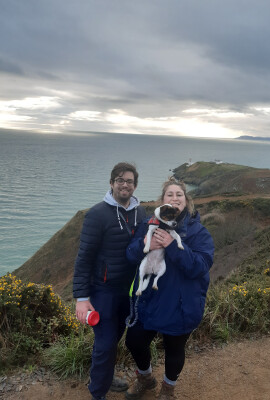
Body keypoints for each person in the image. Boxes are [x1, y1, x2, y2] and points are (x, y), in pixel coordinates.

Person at [125, 178, 214, 399]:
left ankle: (167, 389)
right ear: (162, 201)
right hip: (148, 299)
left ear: (186, 200)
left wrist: (172, 246)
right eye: (169, 195)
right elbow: (130, 254)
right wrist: (145, 246)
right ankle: (145, 379)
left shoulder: (198, 233)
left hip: (180, 302)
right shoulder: (149, 224)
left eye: (179, 195)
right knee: (134, 342)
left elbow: (200, 267)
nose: (174, 199)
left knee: (174, 349)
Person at [73, 162, 146, 400]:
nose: (125, 184)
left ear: (135, 186)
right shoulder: (96, 214)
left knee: (114, 339)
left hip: (129, 291)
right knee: (105, 343)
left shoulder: (140, 213)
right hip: (103, 290)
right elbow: (84, 258)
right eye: (120, 180)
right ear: (111, 183)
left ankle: (103, 375)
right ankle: (97, 393)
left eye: (130, 181)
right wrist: (82, 298)